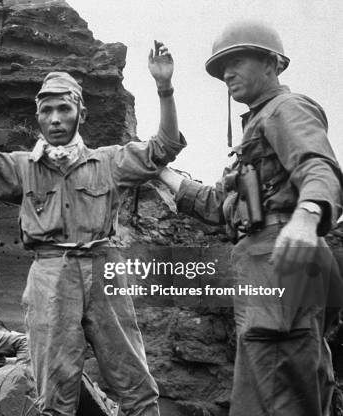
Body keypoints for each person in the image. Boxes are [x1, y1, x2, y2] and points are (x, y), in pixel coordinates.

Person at [0, 42, 185, 415]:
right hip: (49, 276)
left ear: (80, 114)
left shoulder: (109, 162)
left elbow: (164, 147)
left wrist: (164, 88)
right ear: (37, 118)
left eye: (64, 109)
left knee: (137, 387)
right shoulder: (24, 166)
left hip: (105, 270)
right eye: (47, 111)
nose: (55, 119)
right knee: (53, 395)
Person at [158, 20, 342, 416]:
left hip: (280, 261)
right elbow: (220, 206)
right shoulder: (258, 123)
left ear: (271, 65)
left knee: (272, 393)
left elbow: (319, 167)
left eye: (237, 60)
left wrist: (308, 216)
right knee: (290, 380)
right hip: (268, 263)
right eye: (222, 65)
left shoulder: (286, 109)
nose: (226, 73)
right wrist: (160, 171)